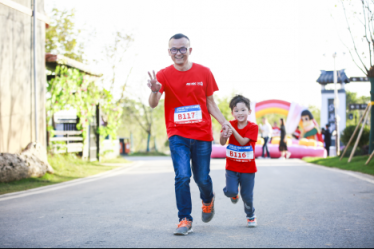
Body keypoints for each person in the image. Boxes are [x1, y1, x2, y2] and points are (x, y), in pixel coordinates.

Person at [147, 33, 232, 236]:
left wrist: (224, 122)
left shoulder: (204, 72)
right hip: (177, 134)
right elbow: (153, 103)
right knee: (182, 176)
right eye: (174, 49)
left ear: (190, 50)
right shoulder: (163, 75)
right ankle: (184, 219)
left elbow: (210, 103)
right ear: (169, 52)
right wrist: (154, 90)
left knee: (202, 178)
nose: (178, 53)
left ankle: (207, 199)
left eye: (182, 48)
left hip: (202, 134)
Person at [220, 95, 259, 227]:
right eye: (236, 110)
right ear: (232, 113)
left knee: (247, 196)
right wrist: (223, 134)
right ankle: (233, 194)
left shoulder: (253, 127)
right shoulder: (229, 124)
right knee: (231, 191)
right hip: (231, 167)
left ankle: (250, 215)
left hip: (248, 169)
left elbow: (243, 142)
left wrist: (232, 130)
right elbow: (222, 142)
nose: (240, 113)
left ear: (249, 111)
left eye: (243, 110)